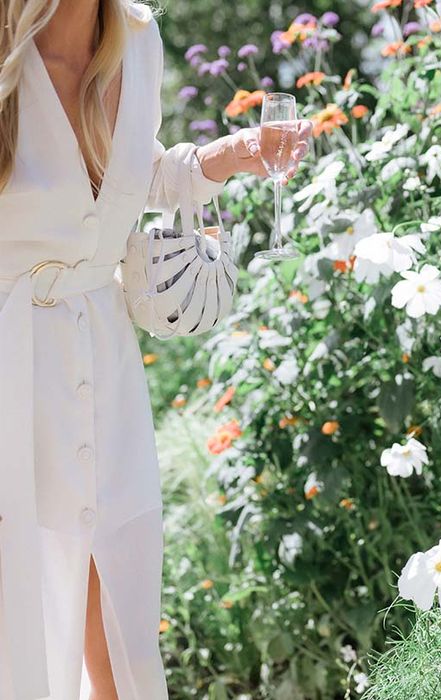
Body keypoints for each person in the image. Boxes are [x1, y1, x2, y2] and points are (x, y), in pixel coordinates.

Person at [0, 1, 312, 698]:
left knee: (118, 605)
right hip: (7, 359)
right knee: (14, 609)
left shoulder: (138, 40)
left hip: (101, 361)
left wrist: (224, 159)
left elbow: (125, 179)